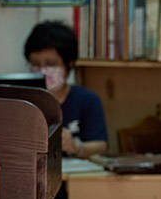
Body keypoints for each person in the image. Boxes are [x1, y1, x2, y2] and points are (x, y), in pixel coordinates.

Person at [24, 20, 108, 158]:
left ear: (69, 65)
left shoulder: (87, 100)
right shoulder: (22, 101)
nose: (42, 70)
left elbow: (100, 145)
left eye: (50, 64)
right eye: (35, 64)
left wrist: (75, 146)